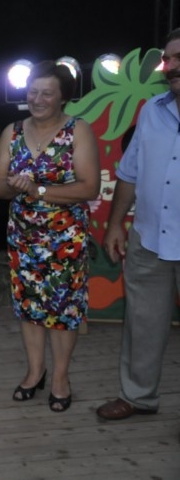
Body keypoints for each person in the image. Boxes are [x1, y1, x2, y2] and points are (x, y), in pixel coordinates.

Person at [0, 60, 100, 412]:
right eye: (33, 91)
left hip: (65, 238)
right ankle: (34, 373)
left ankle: (60, 379)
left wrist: (37, 190)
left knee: (64, 309)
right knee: (30, 307)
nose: (37, 99)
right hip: (23, 237)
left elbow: (89, 187)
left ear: (63, 97)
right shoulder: (12, 131)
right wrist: (12, 186)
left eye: (47, 93)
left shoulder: (78, 130)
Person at [96, 28, 180, 420]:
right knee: (142, 324)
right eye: (168, 59)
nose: (171, 66)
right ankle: (137, 396)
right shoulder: (151, 110)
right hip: (149, 239)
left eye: (178, 58)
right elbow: (129, 173)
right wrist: (116, 224)